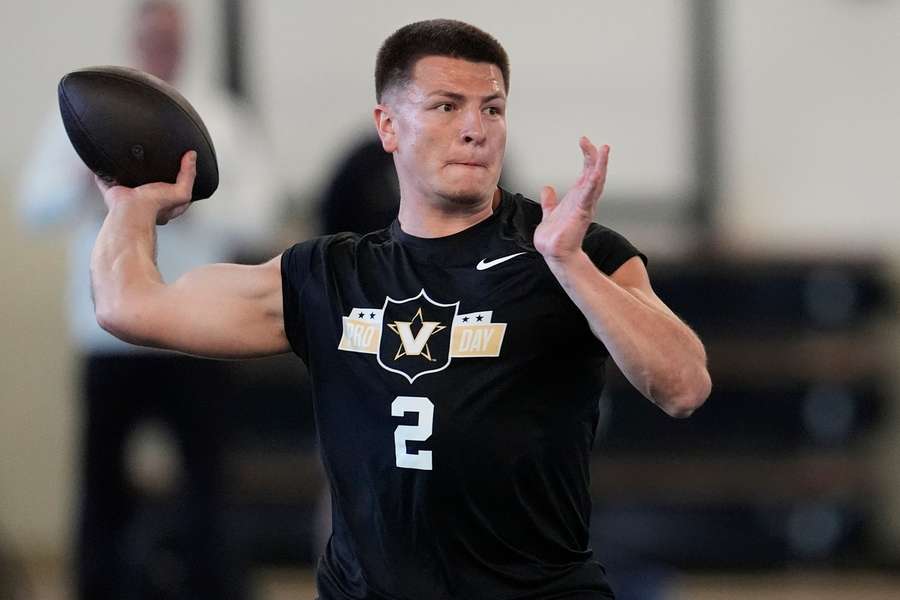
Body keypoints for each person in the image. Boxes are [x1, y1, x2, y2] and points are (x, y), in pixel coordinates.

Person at [87, 19, 711, 600]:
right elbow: (130, 306)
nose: (476, 127)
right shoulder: (329, 275)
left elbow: (684, 386)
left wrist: (572, 267)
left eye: (491, 108)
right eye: (446, 106)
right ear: (387, 126)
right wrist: (131, 206)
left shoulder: (571, 251)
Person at [18, 1, 280, 598]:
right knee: (102, 483)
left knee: (207, 481)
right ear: (134, 38)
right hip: (104, 333)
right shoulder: (83, 119)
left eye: (172, 34)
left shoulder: (219, 118)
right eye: (152, 34)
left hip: (198, 333)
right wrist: (90, 188)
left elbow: (262, 208)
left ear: (184, 40)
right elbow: (33, 207)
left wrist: (174, 201)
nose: (162, 44)